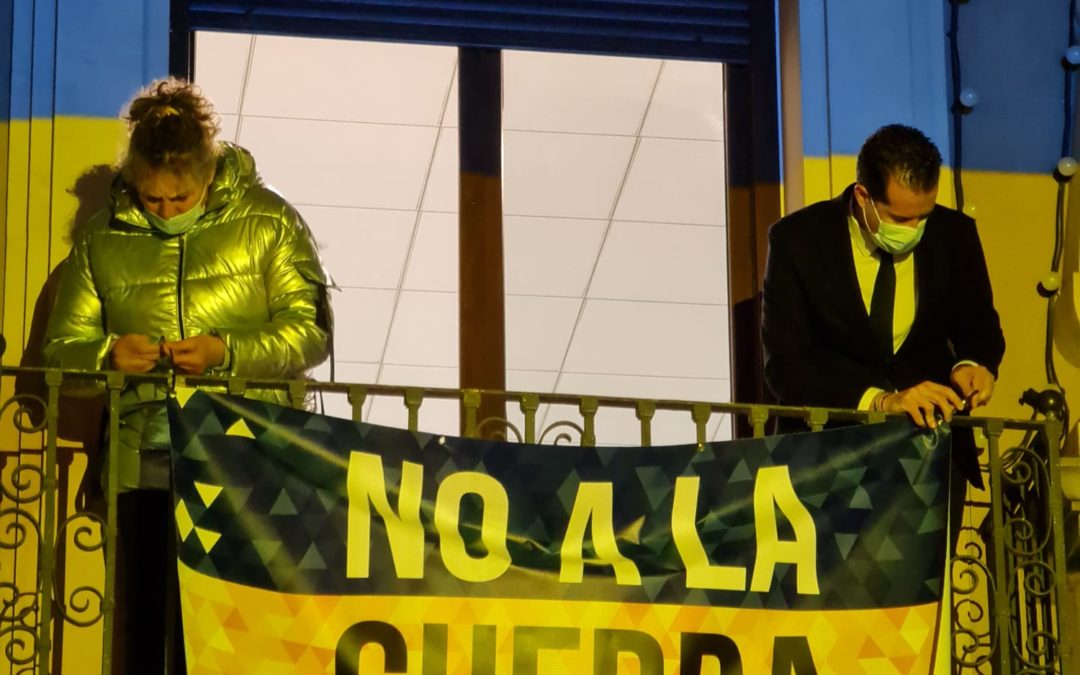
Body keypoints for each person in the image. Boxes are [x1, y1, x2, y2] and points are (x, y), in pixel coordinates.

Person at [43, 78, 331, 672]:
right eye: (152, 199)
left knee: (239, 630)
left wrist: (226, 352)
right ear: (134, 178)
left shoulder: (269, 221)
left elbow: (311, 333)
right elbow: (57, 355)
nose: (166, 211)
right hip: (143, 459)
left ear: (208, 173)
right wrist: (107, 357)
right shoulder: (101, 238)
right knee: (146, 627)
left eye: (181, 198)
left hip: (247, 455)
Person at [761, 123, 1004, 478]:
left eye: (924, 216)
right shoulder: (797, 240)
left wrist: (972, 365)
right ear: (862, 196)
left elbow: (981, 328)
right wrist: (881, 401)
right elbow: (785, 367)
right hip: (827, 459)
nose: (914, 229)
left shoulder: (955, 234)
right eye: (900, 218)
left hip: (932, 457)